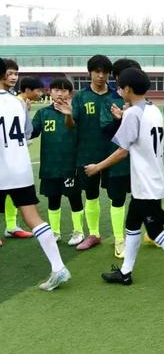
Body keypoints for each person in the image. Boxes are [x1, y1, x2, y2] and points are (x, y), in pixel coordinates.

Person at [86, 67, 164, 291]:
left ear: (128, 89)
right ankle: (125, 272)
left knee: (155, 231)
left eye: (120, 88)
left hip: (146, 183)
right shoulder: (152, 109)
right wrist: (124, 116)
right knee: (133, 225)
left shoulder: (134, 113)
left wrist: (98, 167)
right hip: (153, 178)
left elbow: (122, 151)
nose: (119, 91)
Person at [0, 57, 71, 290]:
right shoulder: (18, 103)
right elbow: (27, 134)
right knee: (33, 218)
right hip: (20, 168)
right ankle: (58, 267)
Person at [55, 55, 123, 252]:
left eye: (105, 72)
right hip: (87, 154)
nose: (101, 76)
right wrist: (68, 116)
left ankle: (119, 238)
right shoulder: (81, 97)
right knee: (91, 195)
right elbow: (71, 125)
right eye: (97, 72)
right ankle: (94, 234)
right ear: (90, 73)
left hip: (112, 154)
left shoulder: (116, 97)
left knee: (117, 197)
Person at [31, 78, 85, 244]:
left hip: (70, 165)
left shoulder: (76, 111)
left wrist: (68, 114)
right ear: (50, 92)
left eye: (64, 90)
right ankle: (54, 232)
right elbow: (31, 132)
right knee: (53, 199)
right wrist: (23, 112)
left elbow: (72, 127)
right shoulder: (43, 113)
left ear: (70, 93)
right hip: (50, 166)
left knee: (74, 198)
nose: (60, 93)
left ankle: (78, 231)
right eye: (56, 90)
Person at [99, 58, 139, 258]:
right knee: (118, 200)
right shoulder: (109, 101)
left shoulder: (142, 103)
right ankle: (119, 239)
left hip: (138, 162)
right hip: (117, 162)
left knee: (141, 198)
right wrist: (120, 120)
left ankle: (148, 233)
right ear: (117, 78)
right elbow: (106, 130)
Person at [1, 59, 33, 239]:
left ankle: (12, 225)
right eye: (9, 73)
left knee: (11, 190)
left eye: (16, 73)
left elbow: (27, 133)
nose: (13, 77)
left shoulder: (17, 101)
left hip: (12, 158)